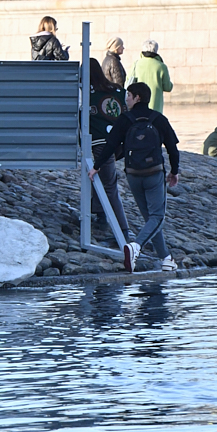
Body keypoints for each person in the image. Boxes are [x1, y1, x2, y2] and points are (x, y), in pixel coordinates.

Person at [91, 80, 181, 273]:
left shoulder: (125, 119)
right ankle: (136, 246)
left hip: (133, 174)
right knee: (157, 217)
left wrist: (96, 167)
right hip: (154, 172)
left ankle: (165, 258)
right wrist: (175, 171)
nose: (127, 100)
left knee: (150, 217)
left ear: (137, 97)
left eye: (129, 96)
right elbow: (173, 148)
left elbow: (110, 146)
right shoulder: (158, 119)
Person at [87, 57, 130, 236]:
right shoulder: (118, 90)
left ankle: (123, 230)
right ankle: (99, 211)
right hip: (119, 141)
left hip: (100, 142)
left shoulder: (86, 93)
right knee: (97, 176)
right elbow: (126, 113)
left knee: (109, 183)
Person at [130, 39, 173, 112]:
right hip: (156, 105)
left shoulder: (136, 64)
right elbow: (168, 87)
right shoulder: (161, 66)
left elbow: (129, 83)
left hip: (138, 102)